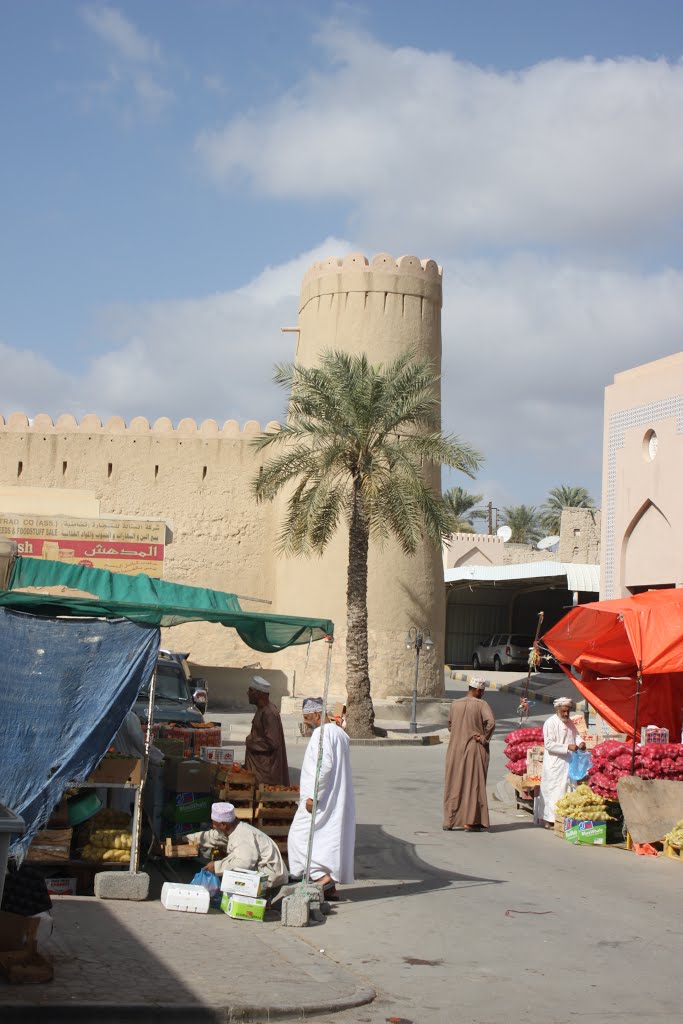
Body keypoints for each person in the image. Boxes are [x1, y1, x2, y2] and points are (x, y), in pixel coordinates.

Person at [287, 697, 355, 897]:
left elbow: (323, 767)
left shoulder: (321, 734)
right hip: (333, 799)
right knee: (325, 840)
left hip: (319, 798)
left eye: (308, 718)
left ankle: (322, 880)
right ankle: (330, 888)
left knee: (298, 838)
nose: (306, 723)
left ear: (317, 715)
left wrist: (313, 796)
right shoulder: (339, 733)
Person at [182, 802, 288, 888]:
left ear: (223, 824)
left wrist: (216, 866)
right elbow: (210, 836)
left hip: (271, 876)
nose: (213, 827)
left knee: (232, 865)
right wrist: (185, 839)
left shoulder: (242, 834)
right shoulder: (230, 830)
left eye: (215, 824)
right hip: (260, 869)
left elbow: (244, 863)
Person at [443, 677, 496, 832]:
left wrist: (459, 733)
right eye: (483, 691)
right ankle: (470, 822)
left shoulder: (455, 704)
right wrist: (483, 737)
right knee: (474, 784)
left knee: (454, 783)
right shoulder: (481, 704)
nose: (483, 694)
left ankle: (449, 821)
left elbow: (450, 725)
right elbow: (491, 722)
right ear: (478, 690)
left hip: (454, 750)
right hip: (474, 748)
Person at [535, 697, 586, 828]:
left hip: (568, 763)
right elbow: (549, 745)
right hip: (554, 764)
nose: (566, 714)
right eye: (563, 711)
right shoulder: (550, 723)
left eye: (568, 711)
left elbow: (576, 735)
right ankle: (549, 819)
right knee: (553, 792)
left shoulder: (570, 723)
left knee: (567, 790)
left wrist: (580, 742)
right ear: (557, 710)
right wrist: (567, 747)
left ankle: (564, 818)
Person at [244, 675, 290, 786]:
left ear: (259, 694)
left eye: (251, 690)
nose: (247, 693)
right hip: (258, 769)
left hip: (265, 773)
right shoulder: (262, 710)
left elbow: (272, 743)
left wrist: (251, 742)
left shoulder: (269, 713)